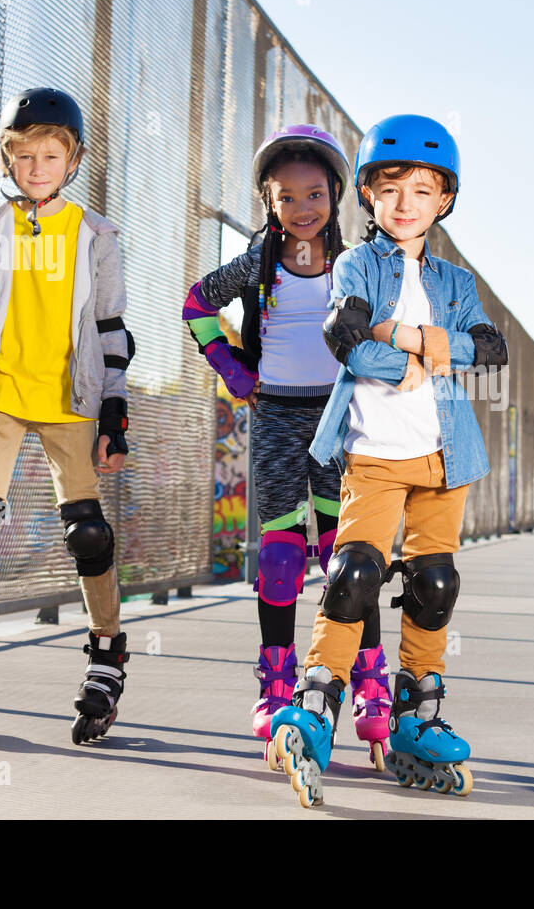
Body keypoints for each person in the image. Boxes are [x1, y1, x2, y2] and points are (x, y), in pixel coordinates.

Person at [268, 114, 508, 807]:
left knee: (434, 584)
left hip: (443, 456)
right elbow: (349, 342)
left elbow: (487, 351)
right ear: (369, 194)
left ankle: (417, 718)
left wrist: (404, 336)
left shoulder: (457, 281)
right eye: (392, 188)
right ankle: (314, 708)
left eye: (424, 190)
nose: (407, 203)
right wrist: (421, 344)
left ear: (445, 201)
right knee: (354, 574)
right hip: (372, 453)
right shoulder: (355, 264)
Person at [182, 126, 391, 768]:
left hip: (337, 418)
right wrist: (232, 369)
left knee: (344, 558)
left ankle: (370, 677)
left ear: (336, 195)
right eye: (287, 197)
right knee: (278, 558)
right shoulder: (258, 263)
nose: (303, 208)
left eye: (315, 194)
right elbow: (196, 305)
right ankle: (276, 684)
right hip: (273, 414)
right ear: (270, 205)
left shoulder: (357, 262)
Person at [0, 87, 133, 746]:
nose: (37, 166)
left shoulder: (95, 233)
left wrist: (113, 411)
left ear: (72, 161)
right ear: (8, 159)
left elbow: (111, 329)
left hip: (69, 400)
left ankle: (107, 651)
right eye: (24, 154)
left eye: (51, 154)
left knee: (89, 535)